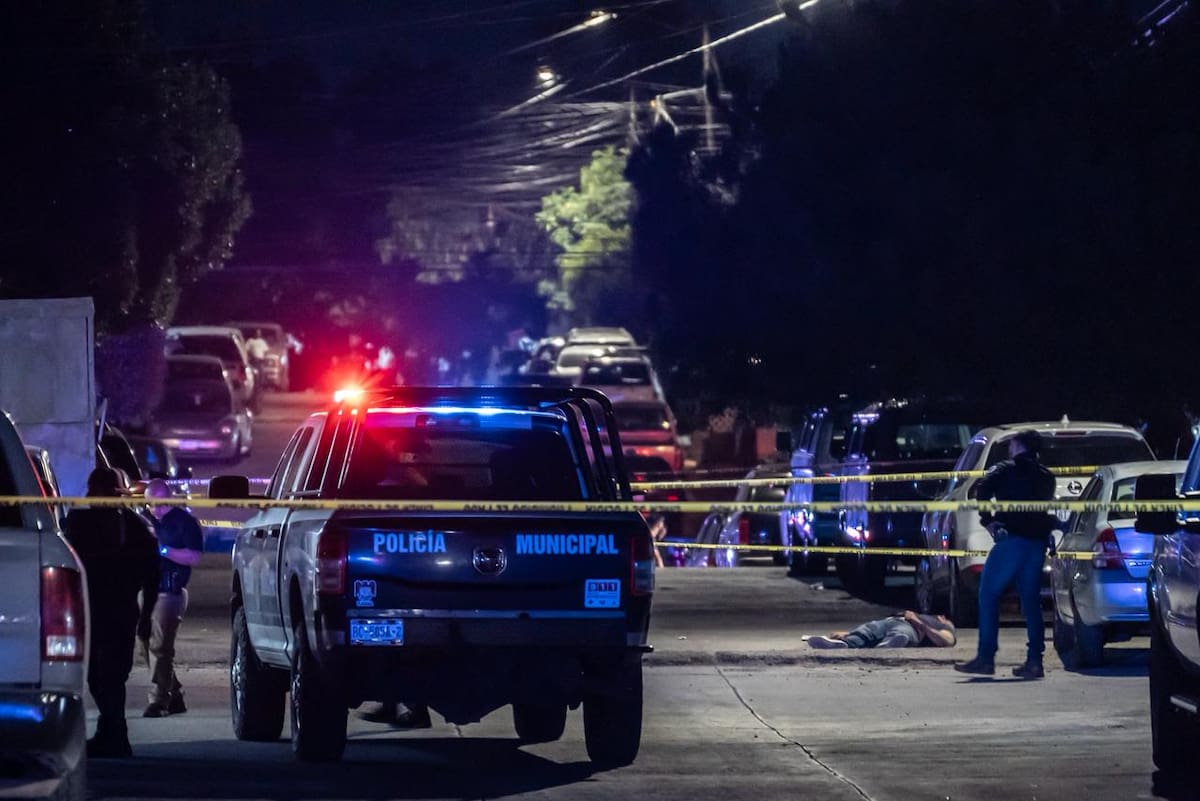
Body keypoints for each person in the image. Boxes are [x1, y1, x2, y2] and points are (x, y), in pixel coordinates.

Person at [64, 467, 160, 758]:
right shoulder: (83, 522)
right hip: (97, 611)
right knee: (99, 676)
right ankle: (112, 733)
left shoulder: (131, 527)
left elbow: (152, 574)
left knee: (110, 676)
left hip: (113, 611)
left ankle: (115, 735)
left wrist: (146, 616)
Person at [955, 429, 1056, 679]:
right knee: (1031, 603)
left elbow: (982, 490)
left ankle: (986, 658)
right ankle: (1035, 661)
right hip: (1035, 544)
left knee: (988, 595)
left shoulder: (1004, 470)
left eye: (1012, 444)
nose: (1010, 447)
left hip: (1011, 541)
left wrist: (988, 520)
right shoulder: (1047, 477)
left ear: (1020, 446)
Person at [141, 479, 204, 717]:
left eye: (159, 504)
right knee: (145, 643)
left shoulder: (185, 522)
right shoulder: (144, 521)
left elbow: (194, 557)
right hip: (146, 591)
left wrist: (164, 550)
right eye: (150, 505)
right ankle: (174, 694)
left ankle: (158, 700)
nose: (154, 510)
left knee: (160, 646)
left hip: (171, 591)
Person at [808, 610, 958, 649]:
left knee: (901, 632)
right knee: (868, 630)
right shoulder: (924, 615)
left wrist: (917, 622)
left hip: (911, 627)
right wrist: (849, 633)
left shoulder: (943, 626)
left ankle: (891, 643)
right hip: (889, 621)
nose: (940, 616)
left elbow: (946, 641)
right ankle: (846, 643)